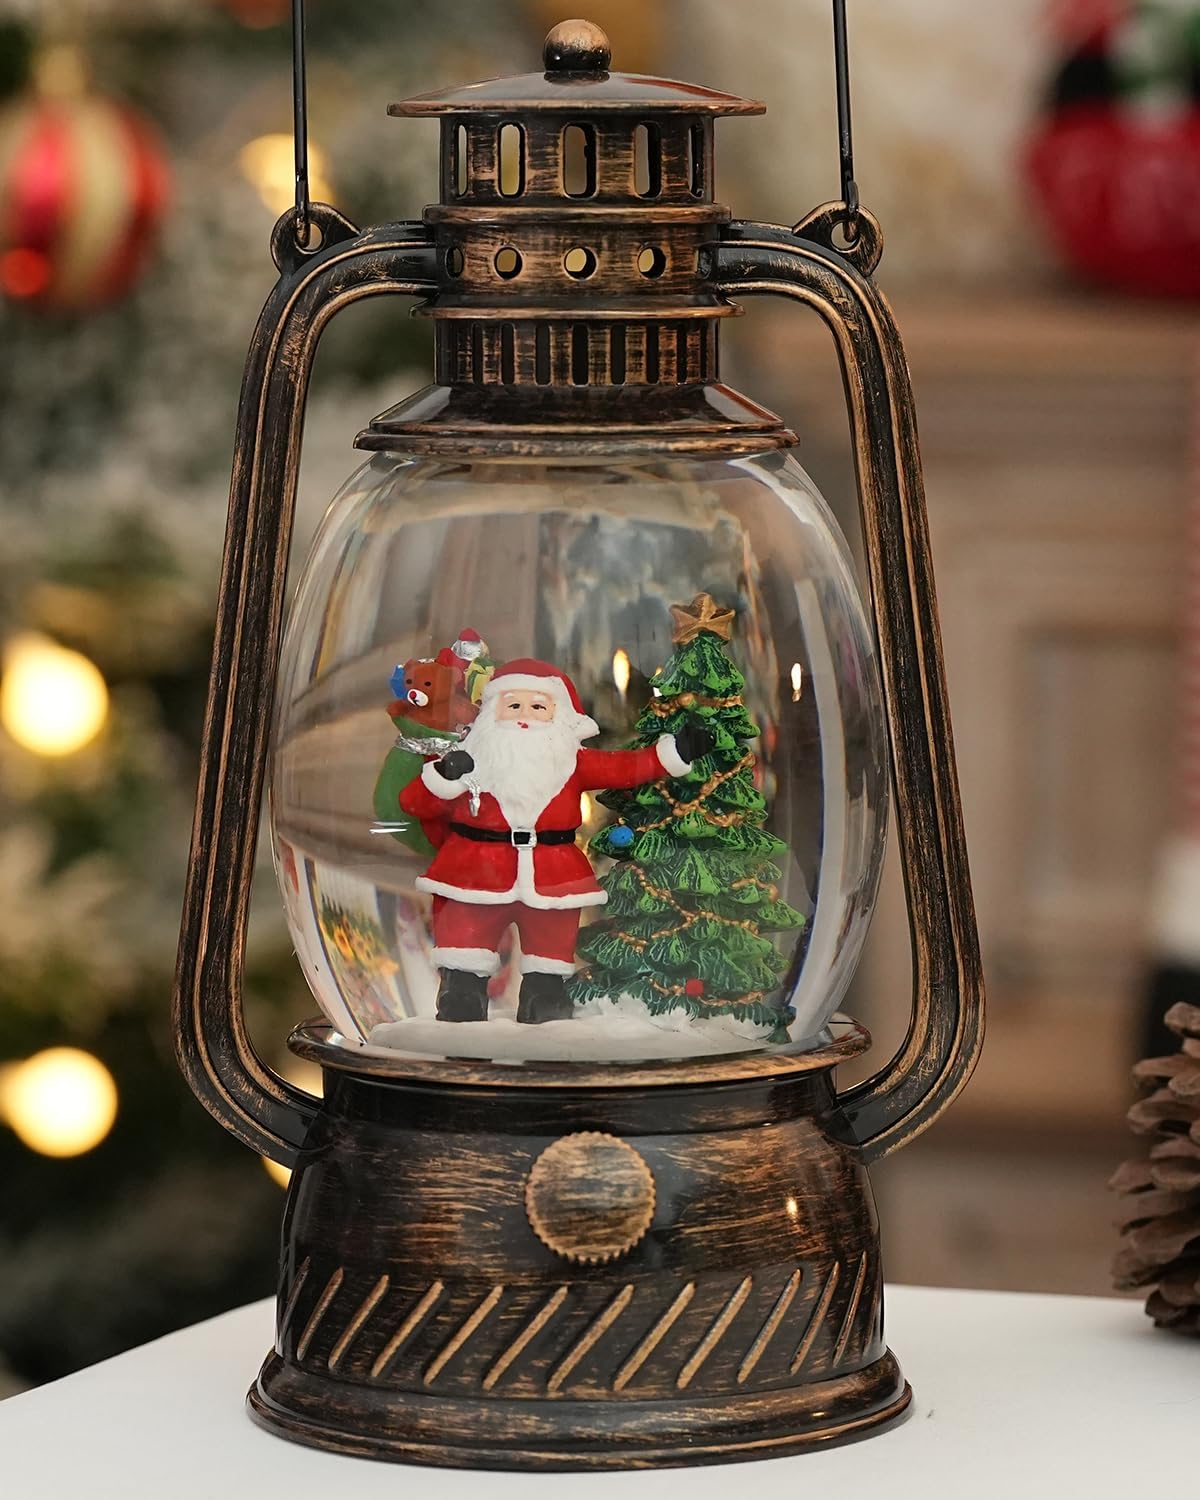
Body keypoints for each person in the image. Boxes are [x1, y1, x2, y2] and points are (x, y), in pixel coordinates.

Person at [399, 657, 713, 1023]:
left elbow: (625, 767)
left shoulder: (572, 761)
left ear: (559, 715)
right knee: (465, 937)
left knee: (550, 941)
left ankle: (544, 994)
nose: (524, 716)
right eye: (513, 705)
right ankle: (462, 992)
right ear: (491, 712)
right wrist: (443, 776)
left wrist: (675, 752)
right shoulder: (469, 759)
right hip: (474, 871)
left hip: (552, 873)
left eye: (538, 707)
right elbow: (415, 803)